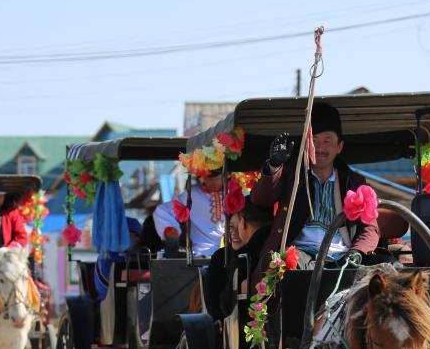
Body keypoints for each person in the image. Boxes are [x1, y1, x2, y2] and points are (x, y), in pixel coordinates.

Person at [250, 101, 379, 276]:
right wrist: (274, 166)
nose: (320, 148)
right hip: (299, 256)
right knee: (289, 270)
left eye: (327, 141)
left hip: (343, 257)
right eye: (314, 141)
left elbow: (370, 228)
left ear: (339, 146)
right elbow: (260, 199)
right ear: (306, 144)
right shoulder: (292, 176)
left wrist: (357, 252)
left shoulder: (353, 182)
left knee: (390, 271)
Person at [204, 198, 272, 320]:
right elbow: (215, 309)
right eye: (230, 227)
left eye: (237, 227)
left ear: (243, 223)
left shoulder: (268, 253)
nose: (234, 233)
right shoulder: (220, 257)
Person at [153, 169, 225, 258]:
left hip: (232, 254)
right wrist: (171, 229)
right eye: (201, 176)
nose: (203, 180)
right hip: (201, 255)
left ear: (225, 175)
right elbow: (163, 210)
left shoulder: (237, 192)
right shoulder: (192, 194)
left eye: (210, 176)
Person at [93, 217, 143, 301]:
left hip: (127, 297)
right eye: (132, 235)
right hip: (110, 301)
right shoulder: (108, 253)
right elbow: (114, 277)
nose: (136, 240)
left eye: (138, 237)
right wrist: (150, 275)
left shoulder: (132, 253)